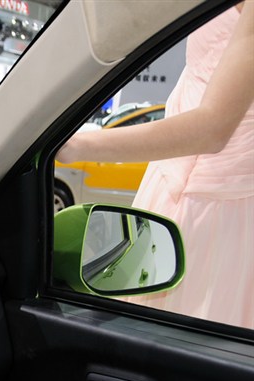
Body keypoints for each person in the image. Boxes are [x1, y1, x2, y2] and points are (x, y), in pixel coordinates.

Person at [56, 2, 254, 329]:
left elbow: (212, 129)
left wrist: (76, 145)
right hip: (170, 187)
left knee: (188, 338)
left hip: (219, 207)